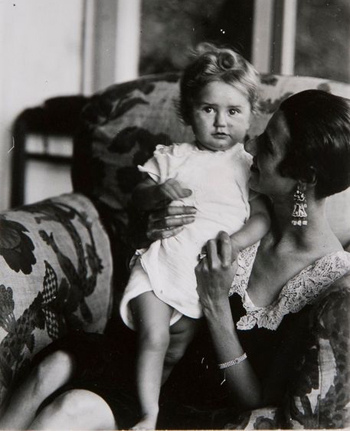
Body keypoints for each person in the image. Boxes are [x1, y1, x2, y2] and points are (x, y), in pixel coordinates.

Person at [1, 89, 350, 430]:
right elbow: (158, 264)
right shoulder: (234, 205)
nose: (249, 145)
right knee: (51, 370)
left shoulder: (331, 289)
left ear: (306, 178)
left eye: (269, 146)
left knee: (68, 410)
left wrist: (216, 306)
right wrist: (150, 231)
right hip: (146, 362)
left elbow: (260, 407)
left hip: (201, 413)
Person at [119, 44, 271, 429]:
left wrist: (235, 242)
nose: (221, 122)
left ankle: (136, 405)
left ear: (251, 115)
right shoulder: (174, 156)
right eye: (208, 110)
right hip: (160, 267)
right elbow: (138, 194)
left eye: (233, 111)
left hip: (198, 282)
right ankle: (147, 415)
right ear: (189, 112)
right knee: (153, 338)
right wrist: (158, 192)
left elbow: (263, 217)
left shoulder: (248, 167)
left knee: (174, 350)